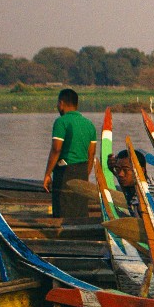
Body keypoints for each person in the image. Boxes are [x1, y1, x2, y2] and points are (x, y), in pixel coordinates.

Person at [43, 88, 98, 219]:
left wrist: (47, 174)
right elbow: (92, 154)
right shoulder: (89, 124)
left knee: (63, 209)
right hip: (82, 171)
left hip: (65, 172)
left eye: (58, 103)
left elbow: (56, 149)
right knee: (79, 208)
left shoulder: (61, 122)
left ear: (61, 103)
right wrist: (86, 173)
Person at [109, 151, 154, 220]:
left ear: (140, 170)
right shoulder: (132, 185)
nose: (120, 174)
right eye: (118, 169)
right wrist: (113, 169)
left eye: (125, 170)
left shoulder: (152, 188)